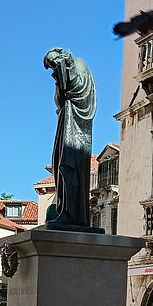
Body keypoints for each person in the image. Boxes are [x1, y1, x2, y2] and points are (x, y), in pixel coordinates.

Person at [43, 47, 97, 230]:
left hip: (76, 130)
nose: (54, 71)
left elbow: (78, 88)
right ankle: (65, 209)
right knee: (61, 166)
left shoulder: (78, 65)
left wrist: (68, 68)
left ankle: (71, 213)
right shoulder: (62, 74)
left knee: (68, 166)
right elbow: (58, 101)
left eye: (53, 64)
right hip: (66, 124)